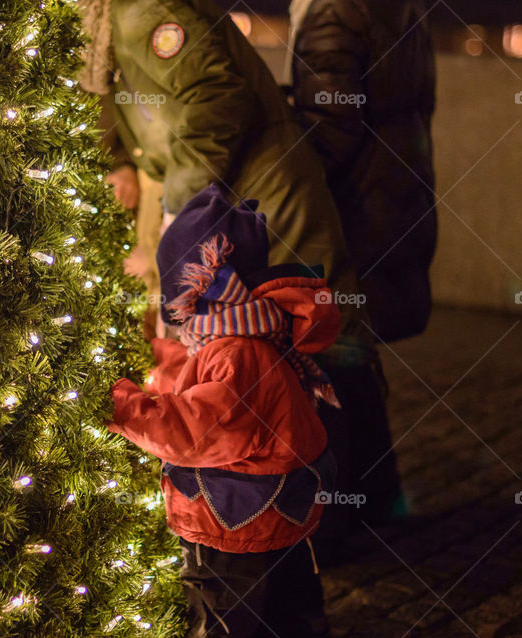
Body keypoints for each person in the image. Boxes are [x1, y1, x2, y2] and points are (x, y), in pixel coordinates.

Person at [80, 0, 403, 541]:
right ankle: (357, 513)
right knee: (294, 352)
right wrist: (122, 163)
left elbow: (215, 97)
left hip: (259, 205)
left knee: (309, 347)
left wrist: (180, 208)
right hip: (231, 207)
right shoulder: (110, 22)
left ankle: (326, 523)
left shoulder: (145, 12)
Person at [108, 185, 337, 637]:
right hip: (271, 519)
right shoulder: (248, 334)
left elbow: (193, 428)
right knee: (288, 611)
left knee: (226, 618)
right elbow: (197, 377)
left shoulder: (237, 353)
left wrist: (115, 402)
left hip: (233, 529)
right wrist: (149, 355)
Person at [282, 0, 438, 343]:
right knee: (358, 346)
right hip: (397, 203)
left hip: (353, 215)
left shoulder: (332, 9)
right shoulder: (404, 8)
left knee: (335, 346)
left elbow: (329, 127)